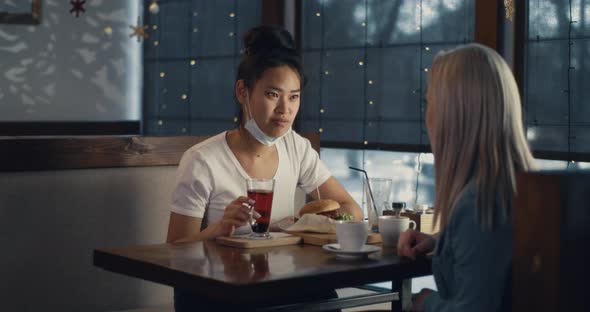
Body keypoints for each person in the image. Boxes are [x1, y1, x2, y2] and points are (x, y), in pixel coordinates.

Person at [166, 25, 362, 311]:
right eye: (273, 95)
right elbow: (174, 248)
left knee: (325, 299)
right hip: (216, 290)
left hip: (280, 281)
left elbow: (350, 207)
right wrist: (220, 228)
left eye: (294, 96)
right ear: (242, 91)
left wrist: (317, 222)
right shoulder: (202, 160)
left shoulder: (296, 146)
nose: (285, 110)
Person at [397, 43, 535, 311]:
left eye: (431, 103)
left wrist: (427, 303)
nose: (427, 115)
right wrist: (441, 242)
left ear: (453, 116)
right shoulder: (521, 188)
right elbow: (495, 258)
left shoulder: (478, 204)